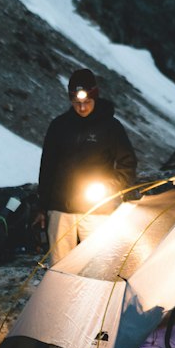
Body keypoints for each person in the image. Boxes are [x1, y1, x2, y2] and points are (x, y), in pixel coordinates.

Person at [36, 67, 137, 262]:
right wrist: (42, 207)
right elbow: (47, 166)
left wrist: (110, 187)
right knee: (59, 265)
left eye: (87, 102)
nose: (82, 108)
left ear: (95, 97)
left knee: (97, 264)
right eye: (77, 103)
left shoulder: (110, 127)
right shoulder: (59, 126)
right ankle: (59, 293)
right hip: (60, 210)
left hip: (97, 210)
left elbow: (128, 163)